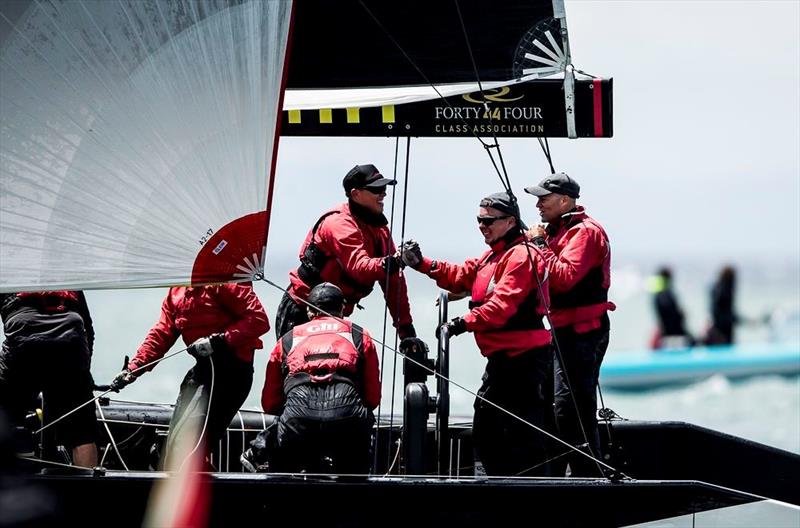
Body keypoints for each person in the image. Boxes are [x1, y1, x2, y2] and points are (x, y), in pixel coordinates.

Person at [401, 191, 553, 477]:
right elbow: (461, 275)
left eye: (488, 221)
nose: (482, 226)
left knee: (515, 435)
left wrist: (461, 323)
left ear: (510, 222)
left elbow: (502, 306)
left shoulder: (522, 256)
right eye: (479, 221)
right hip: (503, 360)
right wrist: (420, 263)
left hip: (524, 361)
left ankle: (532, 495)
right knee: (491, 432)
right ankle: (504, 487)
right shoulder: (494, 256)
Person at [110, 283, 269, 468]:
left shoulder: (224, 281)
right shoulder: (176, 292)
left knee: (187, 448)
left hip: (232, 373)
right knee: (172, 449)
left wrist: (219, 341)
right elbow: (162, 332)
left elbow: (258, 319)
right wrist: (134, 368)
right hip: (203, 369)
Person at [524, 172, 615, 477]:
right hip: (562, 332)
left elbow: (562, 279)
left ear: (564, 201)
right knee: (548, 406)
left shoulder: (586, 233)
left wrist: (538, 242)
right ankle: (554, 475)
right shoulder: (556, 230)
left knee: (572, 407)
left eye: (543, 199)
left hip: (585, 332)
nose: (537, 205)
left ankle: (591, 476)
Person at [241, 282, 380, 474]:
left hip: (298, 421)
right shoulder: (360, 335)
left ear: (309, 310)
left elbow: (270, 403)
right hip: (347, 421)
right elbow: (373, 397)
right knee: (354, 473)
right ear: (342, 308)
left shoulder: (288, 339)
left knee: (286, 466)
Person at [276, 164, 416, 342]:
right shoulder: (339, 223)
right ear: (355, 194)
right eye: (376, 189)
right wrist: (395, 261)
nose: (384, 194)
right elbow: (359, 267)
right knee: (298, 369)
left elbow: (394, 281)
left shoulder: (380, 230)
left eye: (384, 188)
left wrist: (406, 330)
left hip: (334, 314)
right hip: (302, 310)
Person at [0, 290, 98, 467]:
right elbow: (88, 328)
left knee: (4, 416)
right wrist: (83, 373)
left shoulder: (10, 271)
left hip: (24, 339)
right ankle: (88, 492)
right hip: (71, 339)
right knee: (82, 433)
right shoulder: (63, 273)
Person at [650, 266, 695, 348]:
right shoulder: (665, 295)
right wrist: (681, 315)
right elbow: (671, 316)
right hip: (673, 334)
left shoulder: (657, 294)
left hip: (666, 333)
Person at [704, 265, 739, 345]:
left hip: (716, 330)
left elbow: (713, 310)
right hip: (722, 332)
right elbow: (724, 314)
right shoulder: (725, 291)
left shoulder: (715, 288)